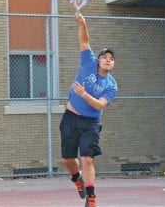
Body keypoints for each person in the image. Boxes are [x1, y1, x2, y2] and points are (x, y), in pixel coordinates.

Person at [60, 12, 118, 207]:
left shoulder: (111, 85)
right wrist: (82, 24)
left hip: (90, 123)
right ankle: (77, 179)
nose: (108, 60)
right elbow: (84, 41)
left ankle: (91, 198)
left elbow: (100, 105)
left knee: (87, 159)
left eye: (111, 58)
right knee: (68, 159)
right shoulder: (88, 63)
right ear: (98, 60)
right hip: (70, 117)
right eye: (105, 57)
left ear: (113, 63)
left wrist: (84, 94)